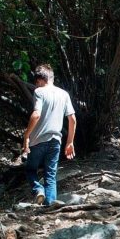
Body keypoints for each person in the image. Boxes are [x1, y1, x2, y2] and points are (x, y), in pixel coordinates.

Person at [22, 64, 76, 205]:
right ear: (52, 77)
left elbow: (36, 115)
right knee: (50, 175)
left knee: (30, 170)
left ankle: (38, 190)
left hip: (38, 141)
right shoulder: (64, 94)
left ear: (40, 80)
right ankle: (50, 207)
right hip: (55, 141)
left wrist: (26, 135)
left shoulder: (39, 92)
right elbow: (72, 119)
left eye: (36, 82)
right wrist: (70, 142)